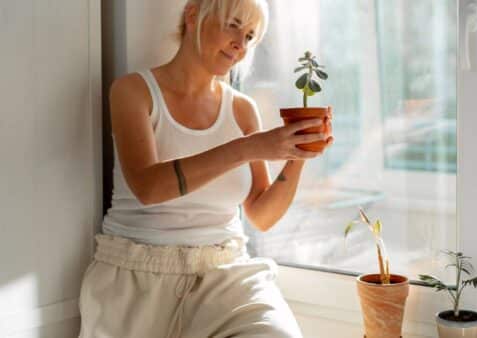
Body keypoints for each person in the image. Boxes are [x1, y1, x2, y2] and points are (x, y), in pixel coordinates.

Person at [78, 0, 333, 337]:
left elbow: (261, 215)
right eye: (233, 25)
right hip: (136, 280)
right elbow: (149, 188)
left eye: (250, 35)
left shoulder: (242, 109)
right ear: (194, 14)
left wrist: (298, 153)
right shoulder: (133, 91)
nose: (240, 44)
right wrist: (249, 147)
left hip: (225, 277)